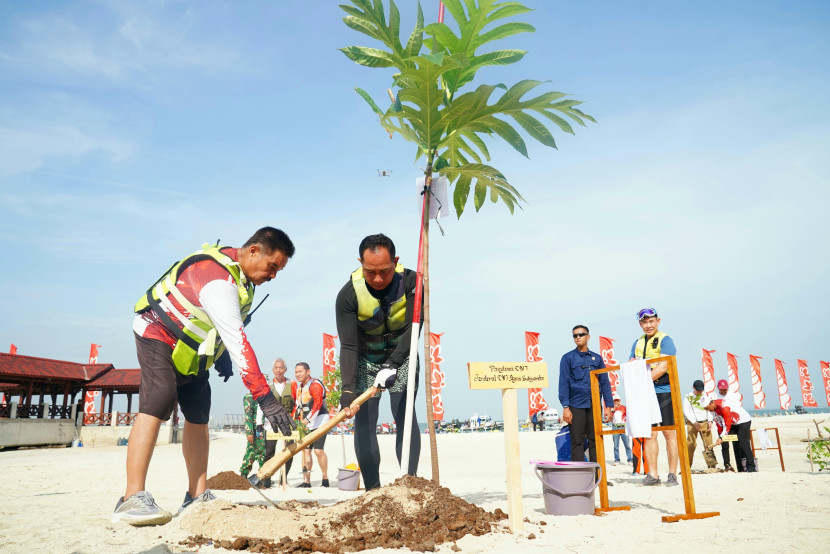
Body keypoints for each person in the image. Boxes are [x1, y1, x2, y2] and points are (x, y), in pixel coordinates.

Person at [113, 227, 297, 526]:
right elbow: (239, 341)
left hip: (192, 347)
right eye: (272, 266)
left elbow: (214, 321)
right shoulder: (218, 279)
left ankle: (196, 496)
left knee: (199, 410)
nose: (273, 275)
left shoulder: (243, 280)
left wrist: (220, 353)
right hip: (157, 330)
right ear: (254, 251)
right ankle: (130, 498)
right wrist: (264, 396)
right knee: (159, 398)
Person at [336, 233, 423, 490]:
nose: (377, 279)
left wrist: (394, 363)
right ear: (360, 263)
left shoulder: (411, 282)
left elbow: (415, 328)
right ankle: (373, 490)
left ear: (395, 261)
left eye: (384, 271)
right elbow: (349, 345)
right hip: (365, 358)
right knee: (364, 420)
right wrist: (348, 389)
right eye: (370, 271)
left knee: (404, 414)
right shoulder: (348, 295)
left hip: (403, 355)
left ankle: (409, 485)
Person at [629, 307, 680, 487]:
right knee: (649, 434)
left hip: (664, 389)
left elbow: (663, 367)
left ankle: (672, 473)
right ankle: (653, 474)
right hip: (646, 393)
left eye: (651, 321)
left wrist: (642, 381)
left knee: (669, 433)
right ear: (640, 324)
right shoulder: (637, 342)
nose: (648, 325)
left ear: (658, 321)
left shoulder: (666, 340)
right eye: (644, 322)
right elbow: (631, 365)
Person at [559, 325, 613, 463]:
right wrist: (565, 407)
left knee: (596, 439)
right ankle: (580, 477)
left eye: (581, 334)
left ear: (588, 336)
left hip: (595, 404)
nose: (578, 337)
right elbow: (563, 383)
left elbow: (605, 382)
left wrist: (608, 406)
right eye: (575, 335)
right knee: (577, 441)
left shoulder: (597, 358)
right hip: (576, 405)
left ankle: (598, 476)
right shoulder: (567, 358)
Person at [292, 362, 330, 488]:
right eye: (296, 372)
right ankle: (306, 481)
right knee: (306, 452)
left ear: (308, 372)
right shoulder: (299, 388)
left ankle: (325, 478)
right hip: (306, 424)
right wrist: (293, 420)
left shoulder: (315, 384)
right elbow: (298, 406)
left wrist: (307, 420)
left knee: (318, 451)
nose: (298, 374)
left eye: (300, 371)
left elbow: (318, 404)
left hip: (320, 421)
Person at [711, 379, 756, 472]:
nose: (723, 391)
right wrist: (721, 435)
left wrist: (722, 435)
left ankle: (751, 466)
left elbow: (727, 421)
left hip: (742, 420)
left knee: (743, 442)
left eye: (724, 389)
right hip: (731, 422)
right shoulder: (714, 400)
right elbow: (719, 421)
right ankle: (738, 467)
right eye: (721, 389)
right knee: (732, 441)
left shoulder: (730, 399)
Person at [265, 358, 295, 485]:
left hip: (288, 423)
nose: (278, 370)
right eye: (276, 368)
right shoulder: (267, 386)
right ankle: (267, 478)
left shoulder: (292, 384)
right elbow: (263, 405)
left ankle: (284, 477)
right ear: (273, 370)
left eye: (281, 368)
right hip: (271, 424)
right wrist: (259, 424)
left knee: (289, 451)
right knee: (269, 452)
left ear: (285, 369)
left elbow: (297, 403)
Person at [682, 379, 718, 470]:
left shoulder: (707, 396)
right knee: (691, 444)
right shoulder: (688, 397)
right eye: (697, 390)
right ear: (693, 387)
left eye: (701, 390)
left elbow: (711, 409)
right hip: (692, 423)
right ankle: (687, 466)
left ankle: (711, 466)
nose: (699, 392)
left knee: (709, 444)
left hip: (705, 422)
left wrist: (710, 421)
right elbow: (686, 410)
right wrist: (694, 422)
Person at [240, 386, 266, 482]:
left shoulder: (265, 397)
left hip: (264, 430)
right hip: (255, 430)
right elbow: (248, 416)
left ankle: (263, 476)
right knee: (251, 451)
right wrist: (249, 432)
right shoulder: (249, 397)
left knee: (263, 453)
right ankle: (244, 474)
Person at [611, 397, 633, 466]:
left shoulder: (624, 407)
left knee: (627, 444)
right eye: (614, 401)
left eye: (617, 400)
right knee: (616, 445)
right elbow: (608, 418)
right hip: (615, 427)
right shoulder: (611, 409)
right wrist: (613, 411)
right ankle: (617, 460)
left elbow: (628, 417)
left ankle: (630, 460)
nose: (616, 402)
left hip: (623, 427)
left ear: (619, 401)